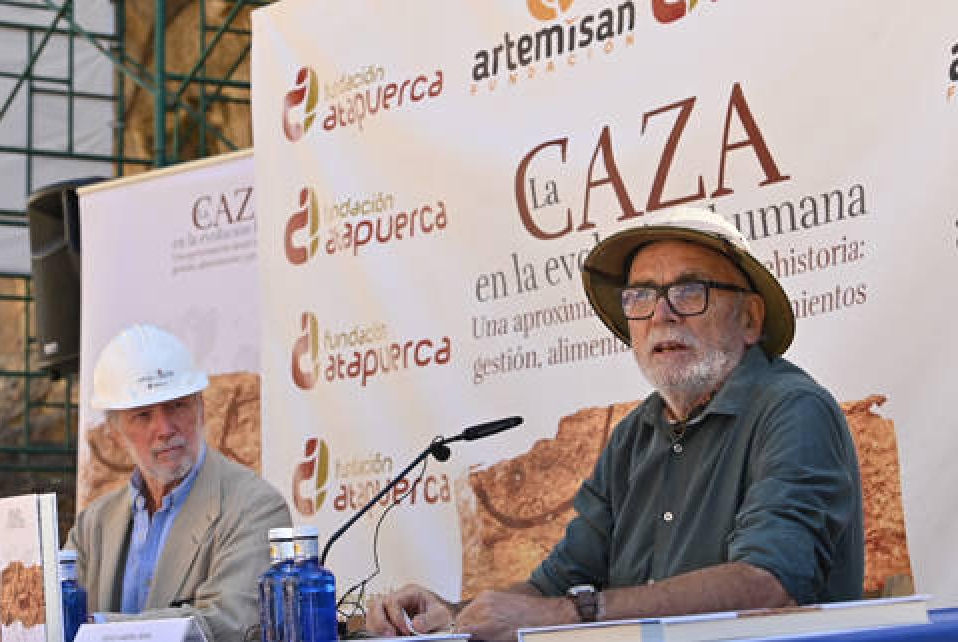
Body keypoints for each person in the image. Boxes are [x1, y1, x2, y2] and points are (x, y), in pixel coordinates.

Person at [369, 207, 863, 641]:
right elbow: (555, 585)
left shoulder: (793, 410)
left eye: (689, 291)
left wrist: (571, 614)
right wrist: (454, 616)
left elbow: (765, 583)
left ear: (749, 319)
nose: (662, 314)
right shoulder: (635, 434)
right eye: (641, 297)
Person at [67, 324, 291, 642]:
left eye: (177, 406)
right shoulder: (95, 523)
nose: (165, 428)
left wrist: (98, 628)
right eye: (144, 415)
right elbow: (57, 609)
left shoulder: (255, 507)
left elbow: (231, 622)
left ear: (200, 408)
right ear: (116, 433)